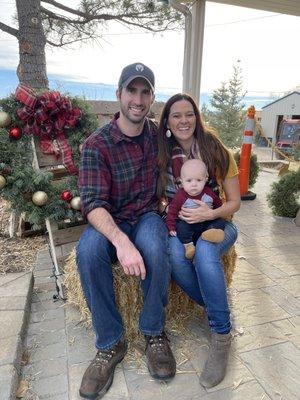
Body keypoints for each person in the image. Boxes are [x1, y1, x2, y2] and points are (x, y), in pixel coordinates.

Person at [77, 62, 176, 400]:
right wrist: (120, 242)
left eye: (145, 91)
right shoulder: (97, 145)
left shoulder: (158, 137)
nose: (138, 98)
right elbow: (91, 203)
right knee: (88, 252)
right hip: (111, 219)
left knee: (155, 242)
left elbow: (194, 143)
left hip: (147, 214)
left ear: (151, 97)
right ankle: (110, 344)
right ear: (118, 94)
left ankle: (154, 332)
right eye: (131, 90)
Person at [157, 93, 241, 388]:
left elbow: (235, 202)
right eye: (176, 115)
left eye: (189, 114)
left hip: (219, 224)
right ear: (167, 121)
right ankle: (216, 307)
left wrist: (211, 212)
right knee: (177, 257)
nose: (183, 120)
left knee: (205, 252)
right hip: (181, 227)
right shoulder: (161, 153)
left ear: (197, 117)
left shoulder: (215, 149)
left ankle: (221, 334)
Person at [166, 158, 225, 259]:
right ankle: (188, 246)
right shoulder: (180, 196)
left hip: (206, 222)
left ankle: (213, 232)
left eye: (198, 180)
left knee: (220, 221)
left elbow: (219, 206)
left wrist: (214, 213)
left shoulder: (209, 193)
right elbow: (172, 212)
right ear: (181, 181)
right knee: (181, 227)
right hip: (189, 224)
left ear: (205, 179)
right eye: (189, 180)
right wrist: (170, 226)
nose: (194, 184)